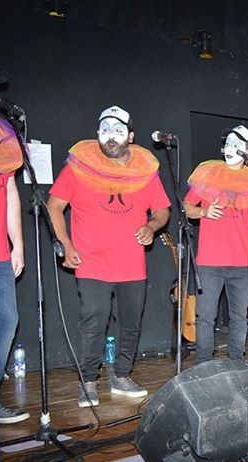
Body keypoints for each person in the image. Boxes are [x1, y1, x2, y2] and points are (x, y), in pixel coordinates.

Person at [48, 106, 171, 408]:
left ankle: (122, 376)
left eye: (117, 131)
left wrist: (151, 226)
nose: (110, 137)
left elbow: (163, 211)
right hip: (91, 261)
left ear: (130, 135)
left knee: (131, 324)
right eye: (105, 130)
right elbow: (53, 206)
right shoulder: (79, 167)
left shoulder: (145, 171)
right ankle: (88, 382)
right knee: (94, 320)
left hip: (131, 264)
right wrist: (65, 244)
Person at [183, 125, 248, 364]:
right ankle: (204, 365)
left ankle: (237, 362)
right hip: (210, 261)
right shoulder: (209, 172)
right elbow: (187, 207)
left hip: (242, 262)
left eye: (237, 144)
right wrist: (204, 211)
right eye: (228, 142)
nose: (230, 147)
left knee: (240, 318)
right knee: (206, 317)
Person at [0, 116, 29, 424]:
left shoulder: (2, 141)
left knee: (8, 322)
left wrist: (17, 244)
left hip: (0, 257)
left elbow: (10, 194)